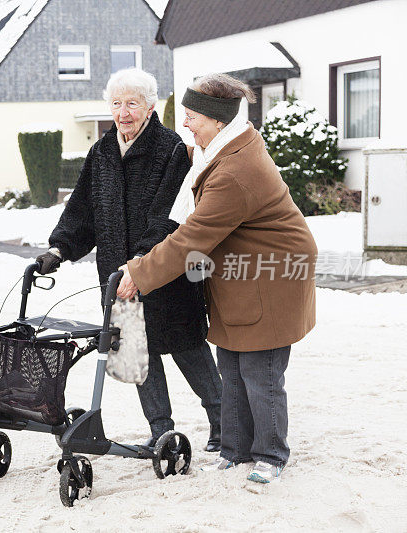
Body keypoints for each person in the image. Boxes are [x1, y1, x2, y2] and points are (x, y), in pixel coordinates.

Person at [118, 73, 318, 484]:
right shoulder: (225, 150)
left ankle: (271, 454)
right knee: (230, 363)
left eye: (192, 116)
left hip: (270, 276)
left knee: (260, 373)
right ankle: (235, 449)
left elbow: (192, 237)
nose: (186, 124)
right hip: (238, 277)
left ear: (217, 121)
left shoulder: (235, 172)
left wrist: (138, 273)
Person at [36, 68, 222, 453]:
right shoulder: (102, 151)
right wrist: (60, 248)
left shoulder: (171, 150)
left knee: (188, 347)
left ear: (150, 107)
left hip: (164, 273)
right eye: (117, 103)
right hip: (117, 278)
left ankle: (223, 422)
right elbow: (82, 210)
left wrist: (141, 261)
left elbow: (168, 215)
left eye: (132, 103)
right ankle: (161, 431)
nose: (124, 112)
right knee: (138, 353)